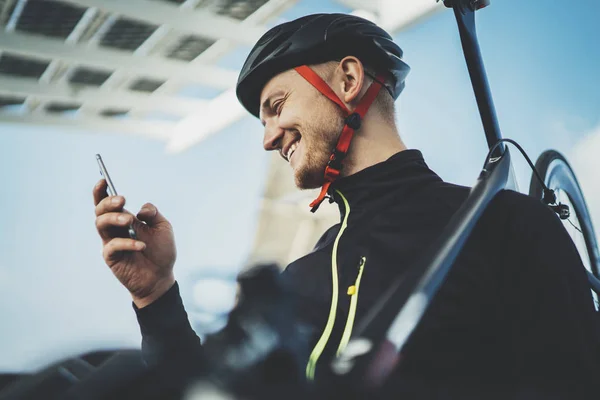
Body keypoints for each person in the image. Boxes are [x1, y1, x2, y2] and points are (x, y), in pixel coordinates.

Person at [93, 13, 600, 399]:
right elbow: (207, 387)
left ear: (348, 80)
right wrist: (155, 294)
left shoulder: (506, 224)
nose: (268, 139)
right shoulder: (297, 280)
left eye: (276, 107)